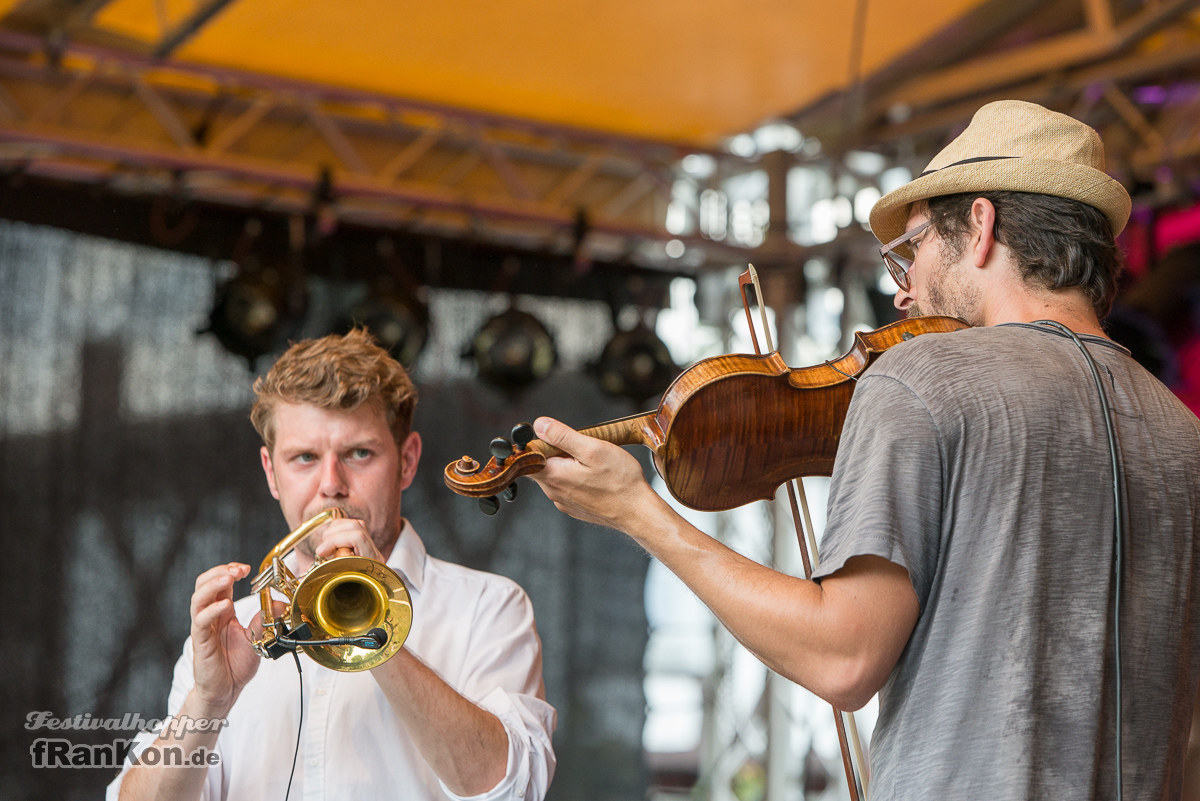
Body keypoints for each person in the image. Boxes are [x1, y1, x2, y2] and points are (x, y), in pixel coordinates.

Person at [527, 100, 1200, 798]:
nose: (904, 293)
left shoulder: (925, 376)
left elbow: (844, 656)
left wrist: (637, 511)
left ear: (980, 225)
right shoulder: (1180, 432)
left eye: (913, 250)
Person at [107, 328, 556, 801]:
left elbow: (511, 790)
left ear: (406, 461)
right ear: (270, 472)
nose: (331, 485)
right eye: (303, 458)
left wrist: (374, 631)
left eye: (359, 454)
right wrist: (210, 701)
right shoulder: (235, 628)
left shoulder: (488, 605)